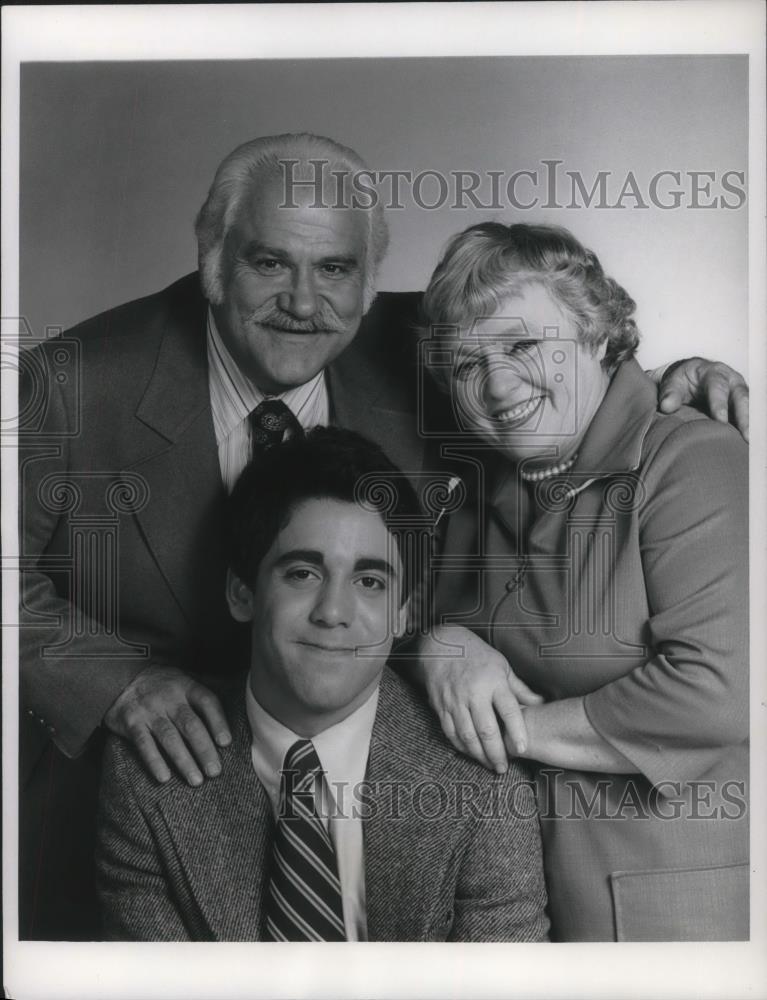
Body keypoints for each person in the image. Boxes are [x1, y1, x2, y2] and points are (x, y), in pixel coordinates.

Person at [19, 131, 749, 940]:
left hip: (385, 811)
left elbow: (554, 360)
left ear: (369, 286)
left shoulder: (430, 354)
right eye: (268, 262)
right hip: (140, 796)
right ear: (211, 261)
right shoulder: (72, 382)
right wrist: (117, 685)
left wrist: (678, 380)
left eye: (334, 269)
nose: (303, 300)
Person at [413, 222, 748, 941]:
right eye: (466, 366)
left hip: (674, 911)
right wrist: (440, 644)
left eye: (522, 345)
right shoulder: (478, 492)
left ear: (598, 335)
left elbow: (720, 693)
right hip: (522, 910)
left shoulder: (693, 459)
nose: (497, 387)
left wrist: (513, 732)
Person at [95, 427, 549, 942]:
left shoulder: (479, 781)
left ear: (403, 613)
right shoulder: (145, 774)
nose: (333, 612)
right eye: (303, 574)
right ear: (242, 592)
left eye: (370, 582)